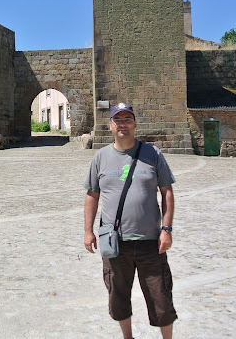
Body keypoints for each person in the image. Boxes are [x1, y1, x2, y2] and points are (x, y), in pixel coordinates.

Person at [84, 102, 177, 339]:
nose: (122, 124)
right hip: (115, 243)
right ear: (111, 125)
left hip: (150, 242)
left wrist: (166, 229)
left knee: (161, 298)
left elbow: (166, 191)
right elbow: (92, 195)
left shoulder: (152, 154)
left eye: (127, 119)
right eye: (118, 120)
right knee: (118, 297)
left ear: (134, 123)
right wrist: (88, 231)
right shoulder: (101, 157)